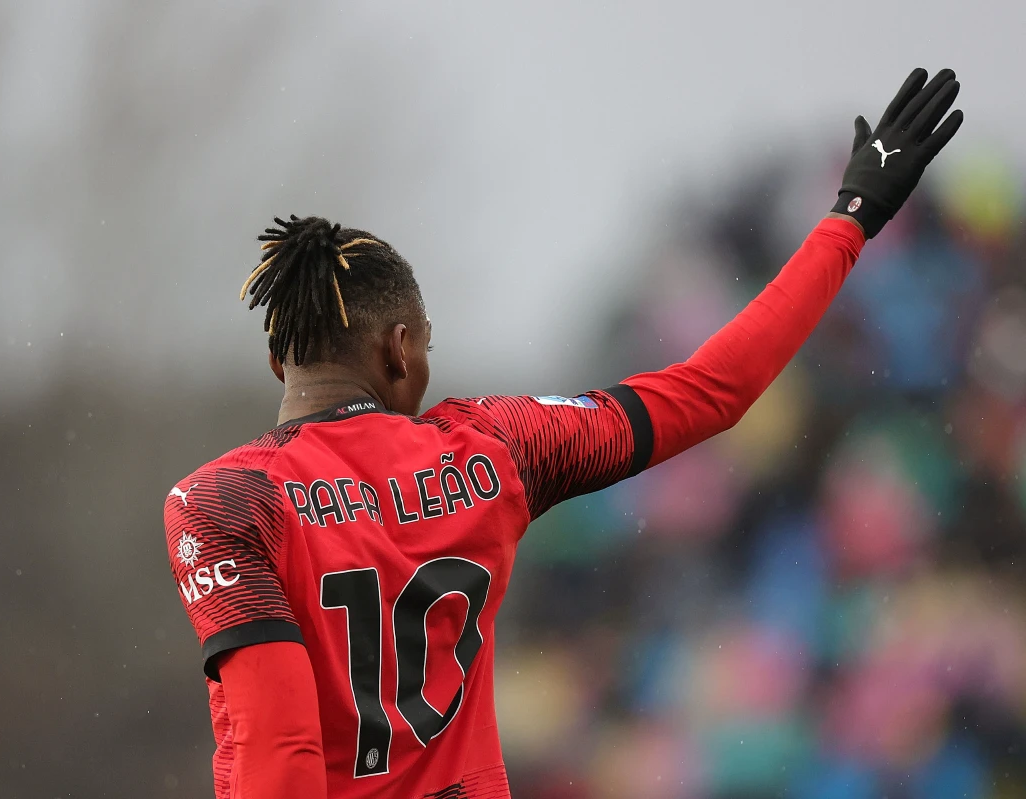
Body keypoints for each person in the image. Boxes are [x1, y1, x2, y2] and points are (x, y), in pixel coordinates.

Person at [162, 68, 963, 798]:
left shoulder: (221, 503)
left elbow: (281, 746)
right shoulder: (495, 448)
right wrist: (850, 220)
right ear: (400, 348)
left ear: (278, 361)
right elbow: (714, 391)